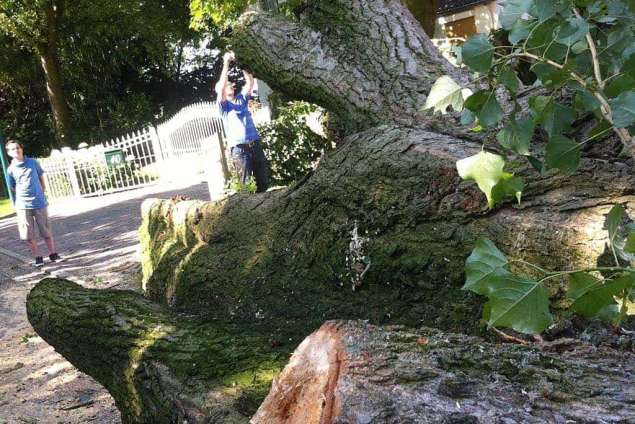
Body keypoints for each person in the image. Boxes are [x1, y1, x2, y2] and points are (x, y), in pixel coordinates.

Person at [215, 51, 268, 193]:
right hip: (240, 149)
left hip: (254, 144)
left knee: (263, 181)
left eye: (230, 85)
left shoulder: (241, 98)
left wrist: (240, 61)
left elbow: (250, 82)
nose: (229, 87)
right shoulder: (224, 107)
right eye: (226, 86)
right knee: (245, 186)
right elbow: (220, 87)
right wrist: (226, 63)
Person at [5, 139, 62, 267]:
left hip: (39, 202)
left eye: (18, 147)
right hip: (23, 206)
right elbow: (12, 187)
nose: (17, 150)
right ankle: (38, 258)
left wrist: (41, 191)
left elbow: (41, 178)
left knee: (46, 230)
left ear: (22, 148)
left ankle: (53, 254)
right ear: (9, 152)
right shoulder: (10, 170)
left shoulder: (33, 163)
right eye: (13, 149)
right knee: (28, 234)